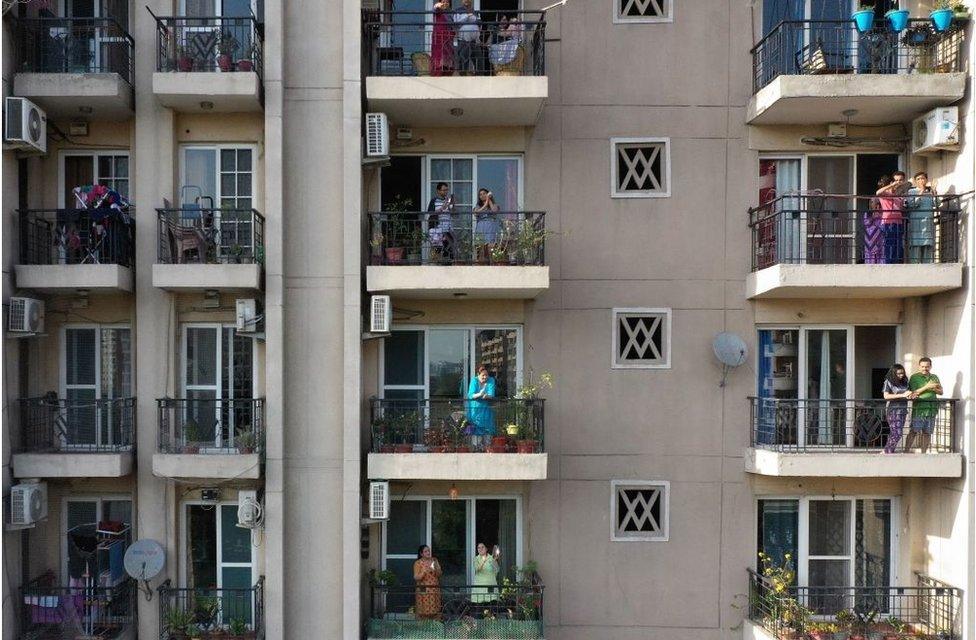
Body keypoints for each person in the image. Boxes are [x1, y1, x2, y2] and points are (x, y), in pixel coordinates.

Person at [905, 357, 943, 453]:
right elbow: (913, 392)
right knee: (914, 431)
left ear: (930, 366)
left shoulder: (934, 377)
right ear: (919, 366)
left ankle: (924, 453)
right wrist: (927, 387)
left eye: (927, 366)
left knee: (927, 433)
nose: (924, 369)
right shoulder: (914, 377)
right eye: (922, 366)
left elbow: (941, 392)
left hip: (932, 410)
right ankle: (906, 451)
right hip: (919, 410)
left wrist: (934, 389)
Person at [875, 171, 909, 264]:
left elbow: (901, 207)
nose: (898, 182)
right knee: (889, 245)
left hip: (899, 222)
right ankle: (888, 265)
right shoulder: (885, 193)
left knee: (898, 246)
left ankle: (896, 264)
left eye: (900, 180)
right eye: (896, 180)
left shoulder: (899, 195)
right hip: (888, 223)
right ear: (891, 182)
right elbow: (878, 192)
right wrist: (891, 186)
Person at [904, 172, 937, 264]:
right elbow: (912, 204)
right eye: (918, 179)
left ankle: (928, 267)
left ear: (926, 180)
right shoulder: (911, 192)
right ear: (915, 181)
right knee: (915, 247)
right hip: (916, 224)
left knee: (927, 246)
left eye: (922, 178)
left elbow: (937, 204)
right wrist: (921, 191)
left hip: (928, 223)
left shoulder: (930, 192)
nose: (921, 180)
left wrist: (934, 192)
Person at [882, 364, 912, 454]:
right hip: (893, 410)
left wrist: (911, 395)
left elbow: (907, 394)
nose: (901, 375)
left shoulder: (905, 381)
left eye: (902, 373)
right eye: (898, 374)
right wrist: (902, 395)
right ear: (893, 373)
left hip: (903, 409)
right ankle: (886, 450)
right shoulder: (888, 382)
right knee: (897, 433)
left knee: (896, 432)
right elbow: (886, 396)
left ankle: (889, 451)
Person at [466, 366, 496, 449]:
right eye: (483, 375)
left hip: (486, 410)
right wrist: (480, 394)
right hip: (475, 409)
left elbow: (491, 394)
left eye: (486, 375)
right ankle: (476, 449)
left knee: (488, 430)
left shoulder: (491, 380)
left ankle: (487, 449)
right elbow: (471, 395)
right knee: (476, 431)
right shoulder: (474, 381)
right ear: (478, 375)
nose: (485, 377)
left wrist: (486, 396)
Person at [427, 182, 456, 261]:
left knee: (449, 251)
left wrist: (452, 204)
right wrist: (442, 208)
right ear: (438, 191)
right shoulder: (434, 200)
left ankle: (449, 269)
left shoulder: (448, 200)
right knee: (437, 250)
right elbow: (430, 213)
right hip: (437, 229)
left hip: (448, 229)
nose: (446, 192)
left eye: (447, 190)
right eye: (444, 190)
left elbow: (454, 214)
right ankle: (437, 269)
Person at [413, 545, 443, 620]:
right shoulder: (418, 563)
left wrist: (437, 567)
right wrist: (423, 572)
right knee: (423, 610)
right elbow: (416, 577)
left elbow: (439, 574)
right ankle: (423, 627)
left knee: (435, 609)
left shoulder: (434, 561)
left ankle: (435, 627)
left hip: (434, 589)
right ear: (421, 554)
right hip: (423, 590)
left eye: (429, 551)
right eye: (426, 551)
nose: (428, 552)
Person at [454, 0, 482, 75]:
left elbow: (479, 23)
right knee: (463, 62)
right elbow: (456, 23)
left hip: (475, 41)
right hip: (463, 41)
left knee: (479, 61)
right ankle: (463, 81)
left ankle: (480, 79)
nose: (466, 0)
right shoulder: (458, 11)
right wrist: (468, 15)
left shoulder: (475, 11)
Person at [474, 188, 500, 261]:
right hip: (481, 226)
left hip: (490, 226)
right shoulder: (478, 206)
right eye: (480, 194)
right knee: (480, 246)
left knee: (490, 246)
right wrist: (485, 204)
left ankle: (491, 263)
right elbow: (476, 213)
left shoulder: (494, 205)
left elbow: (494, 211)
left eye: (484, 194)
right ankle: (481, 263)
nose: (482, 195)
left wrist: (489, 200)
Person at [431, 0, 455, 77]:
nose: (445, 3)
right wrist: (437, 5)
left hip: (448, 36)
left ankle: (447, 73)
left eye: (447, 2)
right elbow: (434, 9)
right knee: (438, 54)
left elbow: (454, 24)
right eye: (443, 1)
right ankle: (437, 73)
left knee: (448, 54)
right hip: (438, 36)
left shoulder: (451, 13)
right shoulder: (438, 10)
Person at [863, 185, 885, 264]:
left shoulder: (882, 213)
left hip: (880, 237)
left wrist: (879, 214)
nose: (874, 203)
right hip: (870, 238)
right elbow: (866, 223)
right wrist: (873, 217)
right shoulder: (867, 213)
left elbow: (883, 225)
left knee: (881, 255)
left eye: (876, 202)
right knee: (870, 256)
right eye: (872, 202)